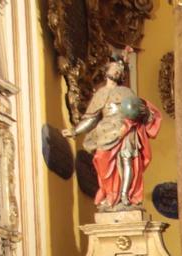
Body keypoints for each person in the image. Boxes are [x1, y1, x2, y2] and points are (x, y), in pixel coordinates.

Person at [63, 52, 161, 210]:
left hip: (126, 129)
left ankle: (125, 195)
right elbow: (90, 118)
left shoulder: (127, 92)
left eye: (120, 71)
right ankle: (111, 194)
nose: (117, 72)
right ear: (106, 70)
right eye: (115, 68)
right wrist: (74, 131)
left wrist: (143, 113)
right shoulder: (100, 94)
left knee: (127, 160)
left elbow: (137, 110)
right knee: (102, 160)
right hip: (106, 132)